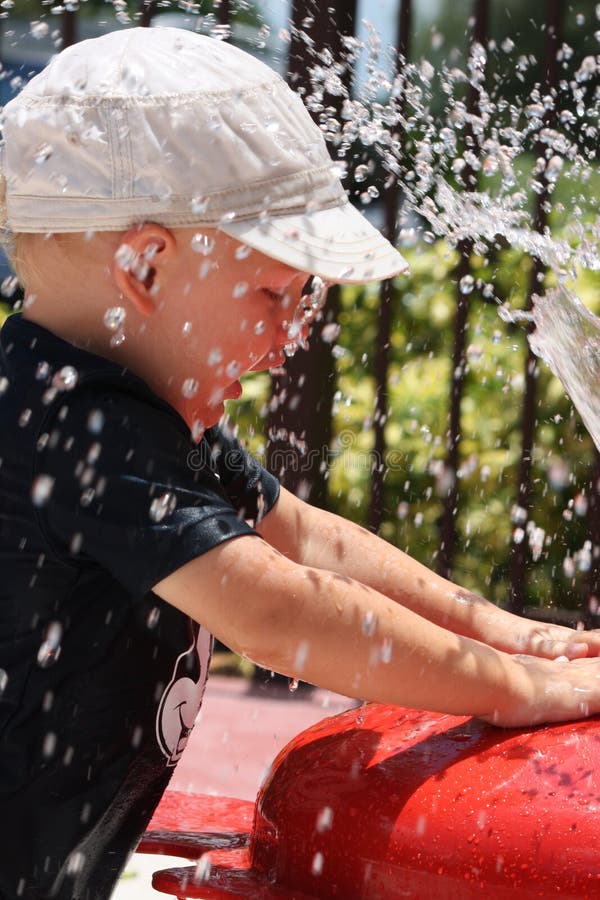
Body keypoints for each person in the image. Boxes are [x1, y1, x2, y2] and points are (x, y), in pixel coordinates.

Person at [0, 25, 599, 900]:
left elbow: (310, 544)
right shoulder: (70, 424)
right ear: (143, 264)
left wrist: (508, 634)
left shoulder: (139, 413)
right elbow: (273, 612)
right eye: (274, 294)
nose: (292, 338)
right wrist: (513, 689)